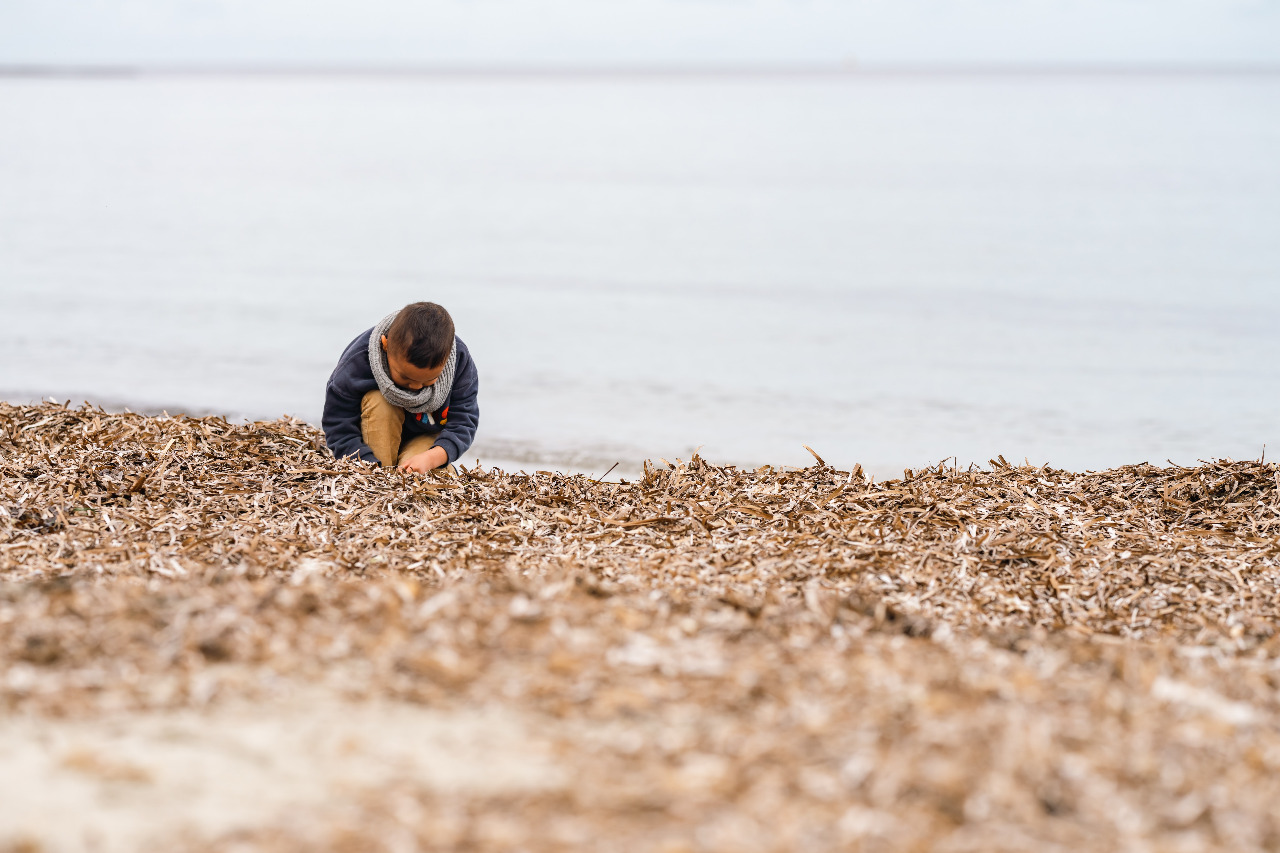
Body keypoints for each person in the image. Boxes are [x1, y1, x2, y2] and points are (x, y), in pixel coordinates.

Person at [322, 302, 479, 472]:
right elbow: (338, 425)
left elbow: (463, 421)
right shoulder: (357, 362)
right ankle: (383, 476)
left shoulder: (459, 361)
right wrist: (369, 466)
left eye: (429, 380)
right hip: (375, 434)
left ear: (447, 359)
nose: (416, 387)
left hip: (425, 438)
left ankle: (433, 468)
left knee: (421, 475)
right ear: (385, 345)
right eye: (405, 377)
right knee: (378, 400)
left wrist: (432, 457)